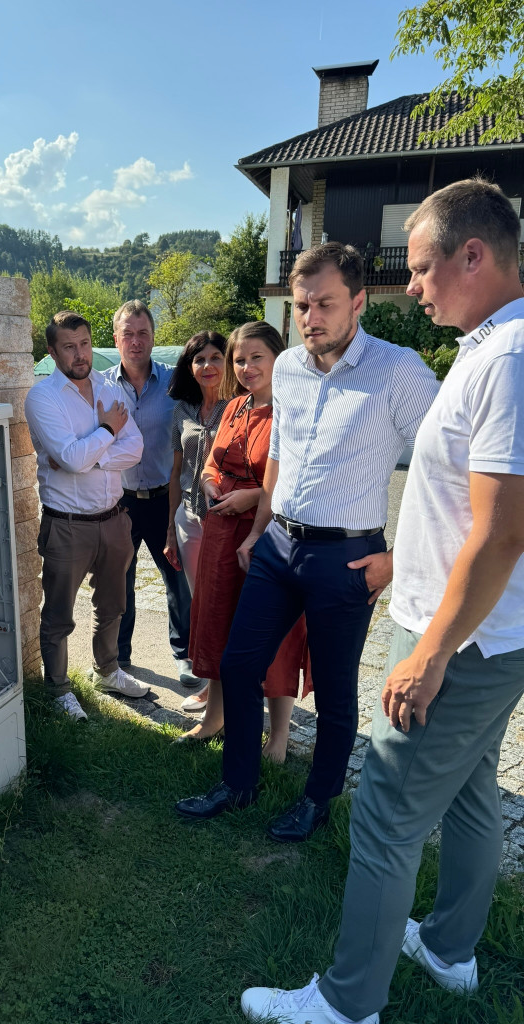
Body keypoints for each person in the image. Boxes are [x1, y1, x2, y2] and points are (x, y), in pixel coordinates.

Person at [238, 178, 524, 1024]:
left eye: (425, 266)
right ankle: (448, 949)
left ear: (475, 256)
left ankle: (346, 1000)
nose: (413, 285)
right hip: (478, 633)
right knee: (472, 794)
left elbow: (503, 532)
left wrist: (431, 652)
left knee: (388, 814)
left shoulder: (506, 362)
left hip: (463, 641)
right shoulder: (489, 346)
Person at [176, 243, 438, 833]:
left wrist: (397, 561)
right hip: (277, 545)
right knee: (240, 666)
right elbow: (281, 456)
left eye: (325, 304)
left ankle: (318, 802)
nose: (311, 318)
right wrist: (259, 532)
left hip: (347, 555)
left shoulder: (400, 371)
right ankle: (238, 782)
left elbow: (455, 470)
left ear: (360, 302)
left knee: (336, 692)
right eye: (300, 306)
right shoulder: (289, 368)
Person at [172, 322, 311, 750]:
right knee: (216, 622)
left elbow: (298, 477)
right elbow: (212, 461)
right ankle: (216, 718)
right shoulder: (234, 407)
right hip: (219, 530)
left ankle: (280, 736)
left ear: (278, 358)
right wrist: (212, 481)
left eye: (257, 357)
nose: (247, 367)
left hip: (270, 533)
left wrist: (251, 497)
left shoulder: (295, 409)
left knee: (275, 632)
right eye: (240, 359)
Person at [24, 310, 149, 721]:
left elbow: (135, 450)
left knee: (113, 605)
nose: (80, 355)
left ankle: (108, 671)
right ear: (52, 351)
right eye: (69, 347)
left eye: (84, 344)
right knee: (59, 614)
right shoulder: (42, 397)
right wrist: (108, 431)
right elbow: (77, 456)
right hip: (68, 525)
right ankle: (58, 689)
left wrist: (89, 455)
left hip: (114, 519)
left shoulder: (107, 388)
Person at [103, 300, 199, 685]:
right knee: (119, 582)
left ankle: (186, 656)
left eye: (143, 333)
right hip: (119, 502)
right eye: (128, 333)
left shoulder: (176, 383)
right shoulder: (100, 386)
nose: (136, 341)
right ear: (116, 338)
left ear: (153, 337)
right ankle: (120, 658)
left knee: (178, 580)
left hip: (165, 498)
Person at [162, 331, 229, 714]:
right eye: (199, 359)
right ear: (190, 366)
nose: (208, 366)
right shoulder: (181, 410)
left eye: (216, 357)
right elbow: (175, 473)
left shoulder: (241, 407)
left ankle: (230, 689)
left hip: (226, 522)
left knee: (227, 606)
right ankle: (209, 687)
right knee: (201, 607)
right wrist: (171, 528)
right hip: (188, 521)